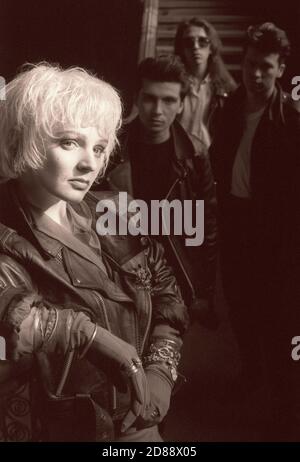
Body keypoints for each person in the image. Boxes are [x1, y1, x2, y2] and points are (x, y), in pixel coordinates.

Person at [0, 63, 188, 442]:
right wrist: (86, 335)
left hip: (136, 419)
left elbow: (168, 291)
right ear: (26, 140)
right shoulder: (7, 232)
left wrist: (161, 370)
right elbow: (14, 314)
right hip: (56, 426)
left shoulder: (115, 210)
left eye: (99, 147)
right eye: (69, 142)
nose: (90, 163)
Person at [210, 22, 300, 439]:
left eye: (266, 66)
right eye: (250, 64)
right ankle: (250, 373)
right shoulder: (227, 109)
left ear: (281, 68)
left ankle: (284, 404)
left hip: (276, 234)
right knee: (240, 307)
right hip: (235, 226)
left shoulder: (291, 117)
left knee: (278, 320)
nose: (257, 74)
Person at [99, 55, 218, 328]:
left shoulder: (195, 154)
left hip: (175, 274)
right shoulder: (112, 150)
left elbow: (206, 227)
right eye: (150, 98)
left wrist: (203, 292)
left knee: (167, 356)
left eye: (168, 100)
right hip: (123, 270)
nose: (157, 110)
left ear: (181, 105)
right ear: (138, 99)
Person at [174, 17, 237, 153]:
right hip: (176, 157)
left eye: (202, 41)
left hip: (210, 158)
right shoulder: (172, 83)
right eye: (188, 42)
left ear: (211, 48)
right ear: (182, 48)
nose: (195, 47)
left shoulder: (226, 88)